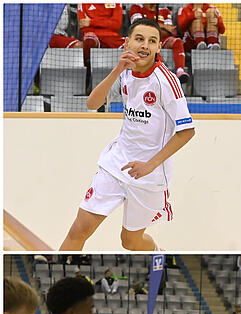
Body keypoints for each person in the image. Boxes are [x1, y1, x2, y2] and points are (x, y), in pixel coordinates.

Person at [60, 17, 195, 251]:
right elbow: (92, 104)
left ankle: (157, 253)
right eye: (139, 39)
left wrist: (149, 165)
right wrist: (117, 69)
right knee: (79, 230)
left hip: (148, 175)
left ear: (159, 47)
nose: (145, 45)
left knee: (130, 242)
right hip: (115, 164)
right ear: (127, 43)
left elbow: (187, 131)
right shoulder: (125, 73)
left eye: (152, 41)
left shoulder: (166, 82)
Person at [129, 4, 190, 83]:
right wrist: (163, 26)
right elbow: (138, 25)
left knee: (177, 41)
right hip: (145, 39)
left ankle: (180, 71)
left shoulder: (165, 10)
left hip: (162, 38)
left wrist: (152, 26)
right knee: (152, 46)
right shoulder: (136, 7)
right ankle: (162, 71)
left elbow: (169, 31)